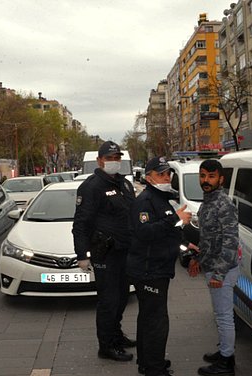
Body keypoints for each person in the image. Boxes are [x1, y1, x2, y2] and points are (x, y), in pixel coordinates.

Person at [72, 140, 137, 362]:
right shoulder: (91, 187)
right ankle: (106, 346)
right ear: (100, 161)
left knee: (121, 298)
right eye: (109, 158)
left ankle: (116, 335)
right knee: (108, 301)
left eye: (117, 158)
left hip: (124, 251)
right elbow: (80, 223)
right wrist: (81, 255)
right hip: (105, 254)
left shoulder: (125, 185)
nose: (114, 162)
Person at [127, 156, 191, 376]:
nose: (166, 177)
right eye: (160, 174)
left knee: (148, 317)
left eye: (167, 173)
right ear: (148, 177)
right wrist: (176, 219)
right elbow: (145, 232)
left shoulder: (160, 198)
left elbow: (166, 232)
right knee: (156, 321)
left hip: (157, 268)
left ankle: (148, 362)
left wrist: (183, 242)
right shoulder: (145, 201)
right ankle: (154, 367)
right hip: (148, 271)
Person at [188, 159, 239, 376]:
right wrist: (198, 258)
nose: (205, 181)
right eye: (202, 176)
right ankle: (225, 352)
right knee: (220, 314)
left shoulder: (223, 204)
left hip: (223, 270)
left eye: (210, 176)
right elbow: (208, 238)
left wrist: (218, 273)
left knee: (224, 316)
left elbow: (230, 241)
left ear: (221, 179)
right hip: (212, 265)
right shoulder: (207, 202)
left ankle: (226, 363)